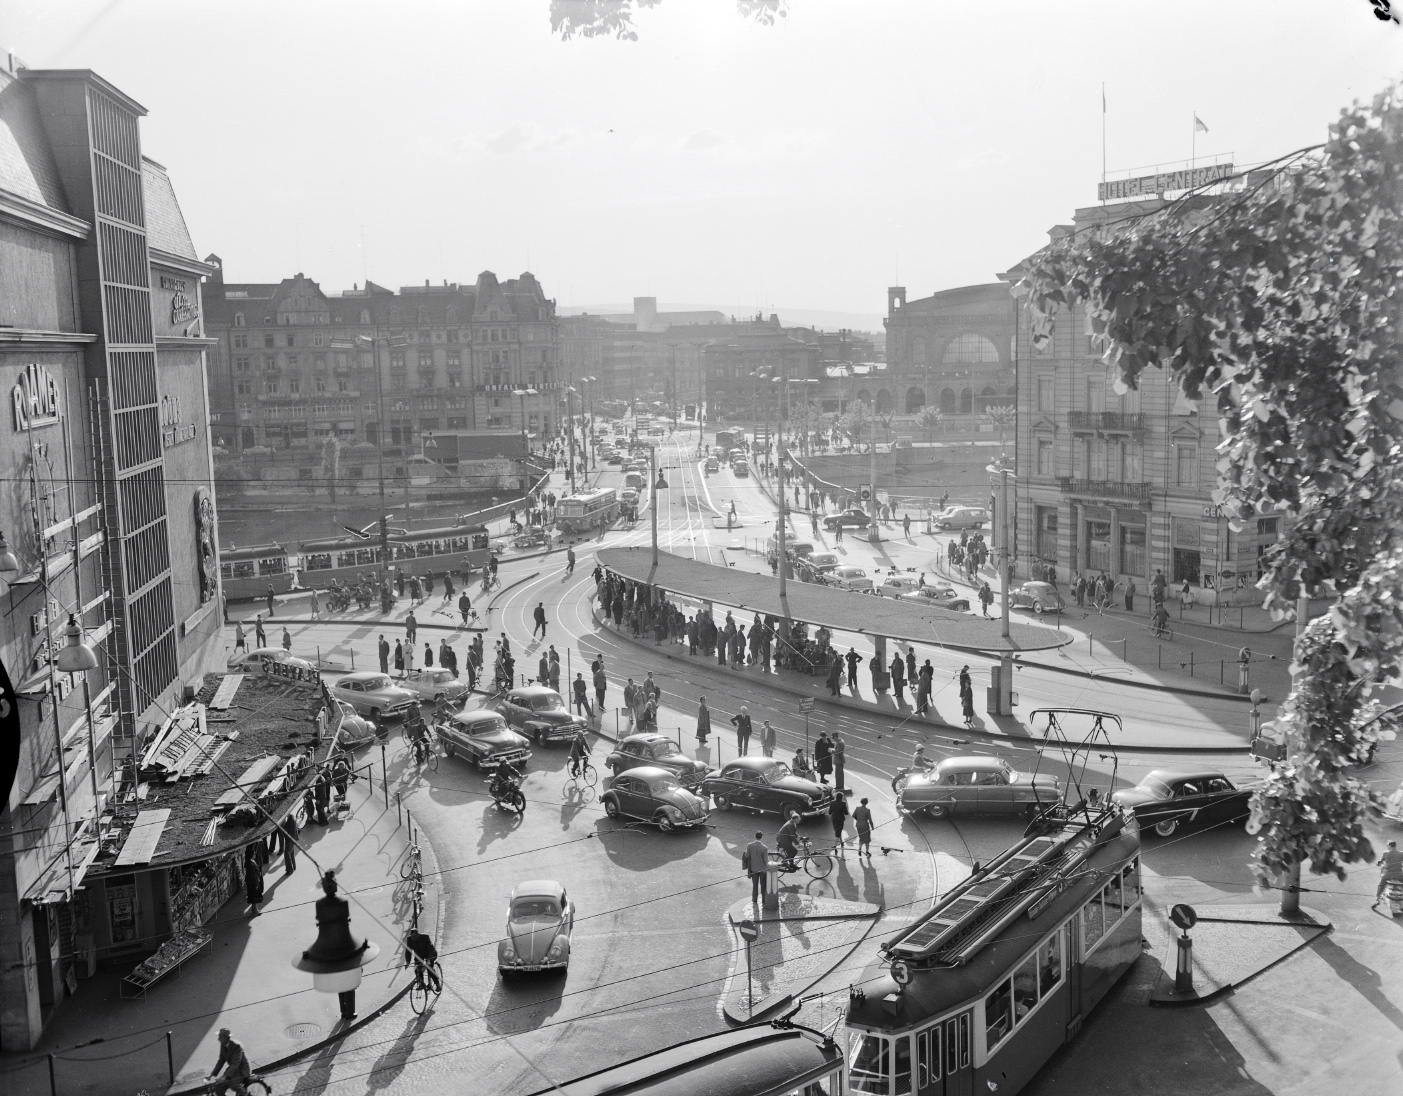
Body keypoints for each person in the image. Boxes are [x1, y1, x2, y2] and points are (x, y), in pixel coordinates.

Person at [208, 1028, 254, 1096]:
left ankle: (246, 1094)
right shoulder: (223, 1045)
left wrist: (224, 1076)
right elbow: (221, 1061)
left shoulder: (236, 1046)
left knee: (233, 1084)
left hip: (242, 1070)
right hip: (233, 1070)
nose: (218, 1038)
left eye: (220, 1036)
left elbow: (236, 1063)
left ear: (226, 1038)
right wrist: (211, 1074)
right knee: (218, 1086)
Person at [403, 927, 442, 993]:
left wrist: (428, 961)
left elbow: (430, 950)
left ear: (418, 934)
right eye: (412, 936)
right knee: (417, 969)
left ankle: (437, 984)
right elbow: (408, 951)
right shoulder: (409, 939)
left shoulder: (425, 937)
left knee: (429, 969)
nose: (413, 938)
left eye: (414, 936)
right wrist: (407, 962)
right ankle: (421, 983)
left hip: (430, 955)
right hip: (419, 956)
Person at [1375, 841, 1403, 908]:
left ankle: (1377, 898)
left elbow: (1379, 862)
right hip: (1399, 875)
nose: (1387, 847)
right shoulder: (1401, 853)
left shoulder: (1385, 853)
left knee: (1381, 885)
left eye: (1387, 845)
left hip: (1388, 875)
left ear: (1390, 846)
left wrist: (1378, 863)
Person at [744, 831, 770, 903]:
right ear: (761, 837)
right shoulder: (764, 848)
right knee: (763, 885)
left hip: (753, 868)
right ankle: (763, 900)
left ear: (754, 836)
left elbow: (746, 856)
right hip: (762, 869)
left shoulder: (749, 845)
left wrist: (746, 852)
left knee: (755, 885)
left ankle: (754, 899)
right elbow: (766, 860)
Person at [243, 844, 264, 916]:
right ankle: (255, 910)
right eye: (254, 853)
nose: (255, 853)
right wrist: (256, 884)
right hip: (252, 883)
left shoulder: (251, 861)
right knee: (254, 896)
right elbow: (252, 876)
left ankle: (254, 909)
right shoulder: (250, 864)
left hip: (253, 881)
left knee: (253, 896)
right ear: (251, 854)